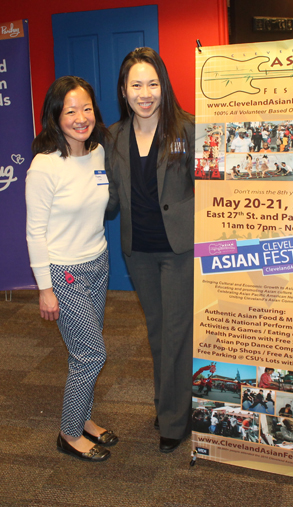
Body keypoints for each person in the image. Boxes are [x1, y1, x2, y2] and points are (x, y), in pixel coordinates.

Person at [105, 47, 195, 454]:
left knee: (177, 332)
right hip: (138, 251)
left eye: (153, 84)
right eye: (136, 85)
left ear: (164, 86)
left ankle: (174, 420)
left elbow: (208, 187)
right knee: (158, 331)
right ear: (124, 91)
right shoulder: (112, 137)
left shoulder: (187, 129)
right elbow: (109, 198)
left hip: (179, 250)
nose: (145, 94)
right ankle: (169, 403)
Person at [26, 76, 117, 462]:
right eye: (70, 111)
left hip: (98, 262)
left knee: (83, 351)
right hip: (64, 273)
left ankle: (83, 418)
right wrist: (45, 288)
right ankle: (68, 433)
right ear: (55, 116)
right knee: (92, 354)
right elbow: (35, 231)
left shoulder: (98, 152)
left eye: (87, 109)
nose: (81, 118)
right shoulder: (45, 166)